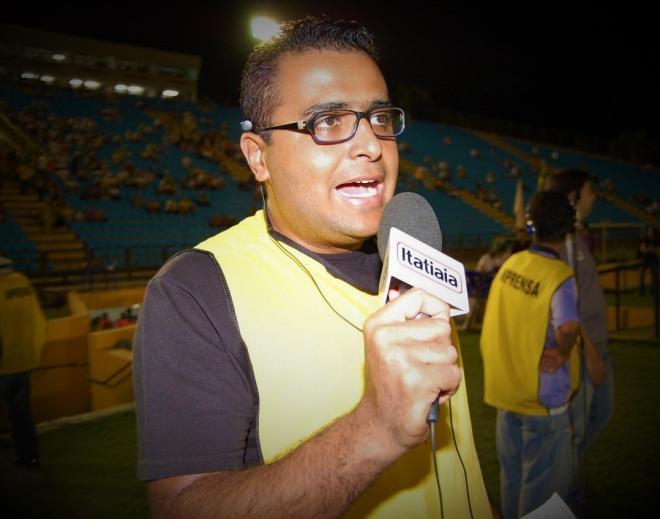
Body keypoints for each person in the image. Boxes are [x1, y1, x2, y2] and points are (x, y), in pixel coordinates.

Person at [134, 16, 491, 518]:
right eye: (328, 122)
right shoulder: (197, 291)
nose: (371, 145)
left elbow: (457, 467)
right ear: (258, 157)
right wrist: (375, 429)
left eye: (379, 118)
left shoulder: (415, 258)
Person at [480, 192, 581, 518]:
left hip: (507, 391)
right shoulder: (559, 275)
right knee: (541, 497)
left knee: (511, 481)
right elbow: (568, 326)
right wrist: (563, 352)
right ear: (567, 229)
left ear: (534, 225)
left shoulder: (512, 264)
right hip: (542, 399)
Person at [546, 168, 612, 460]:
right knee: (576, 429)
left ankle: (567, 476)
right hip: (582, 350)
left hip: (595, 344)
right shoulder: (564, 244)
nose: (593, 198)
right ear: (573, 196)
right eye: (589, 192)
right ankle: (565, 482)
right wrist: (590, 353)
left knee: (600, 413)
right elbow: (566, 306)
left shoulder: (576, 239)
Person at [0, 256, 46, 469]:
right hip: (25, 360)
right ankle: (29, 457)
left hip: (4, 364)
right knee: (22, 414)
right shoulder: (23, 282)